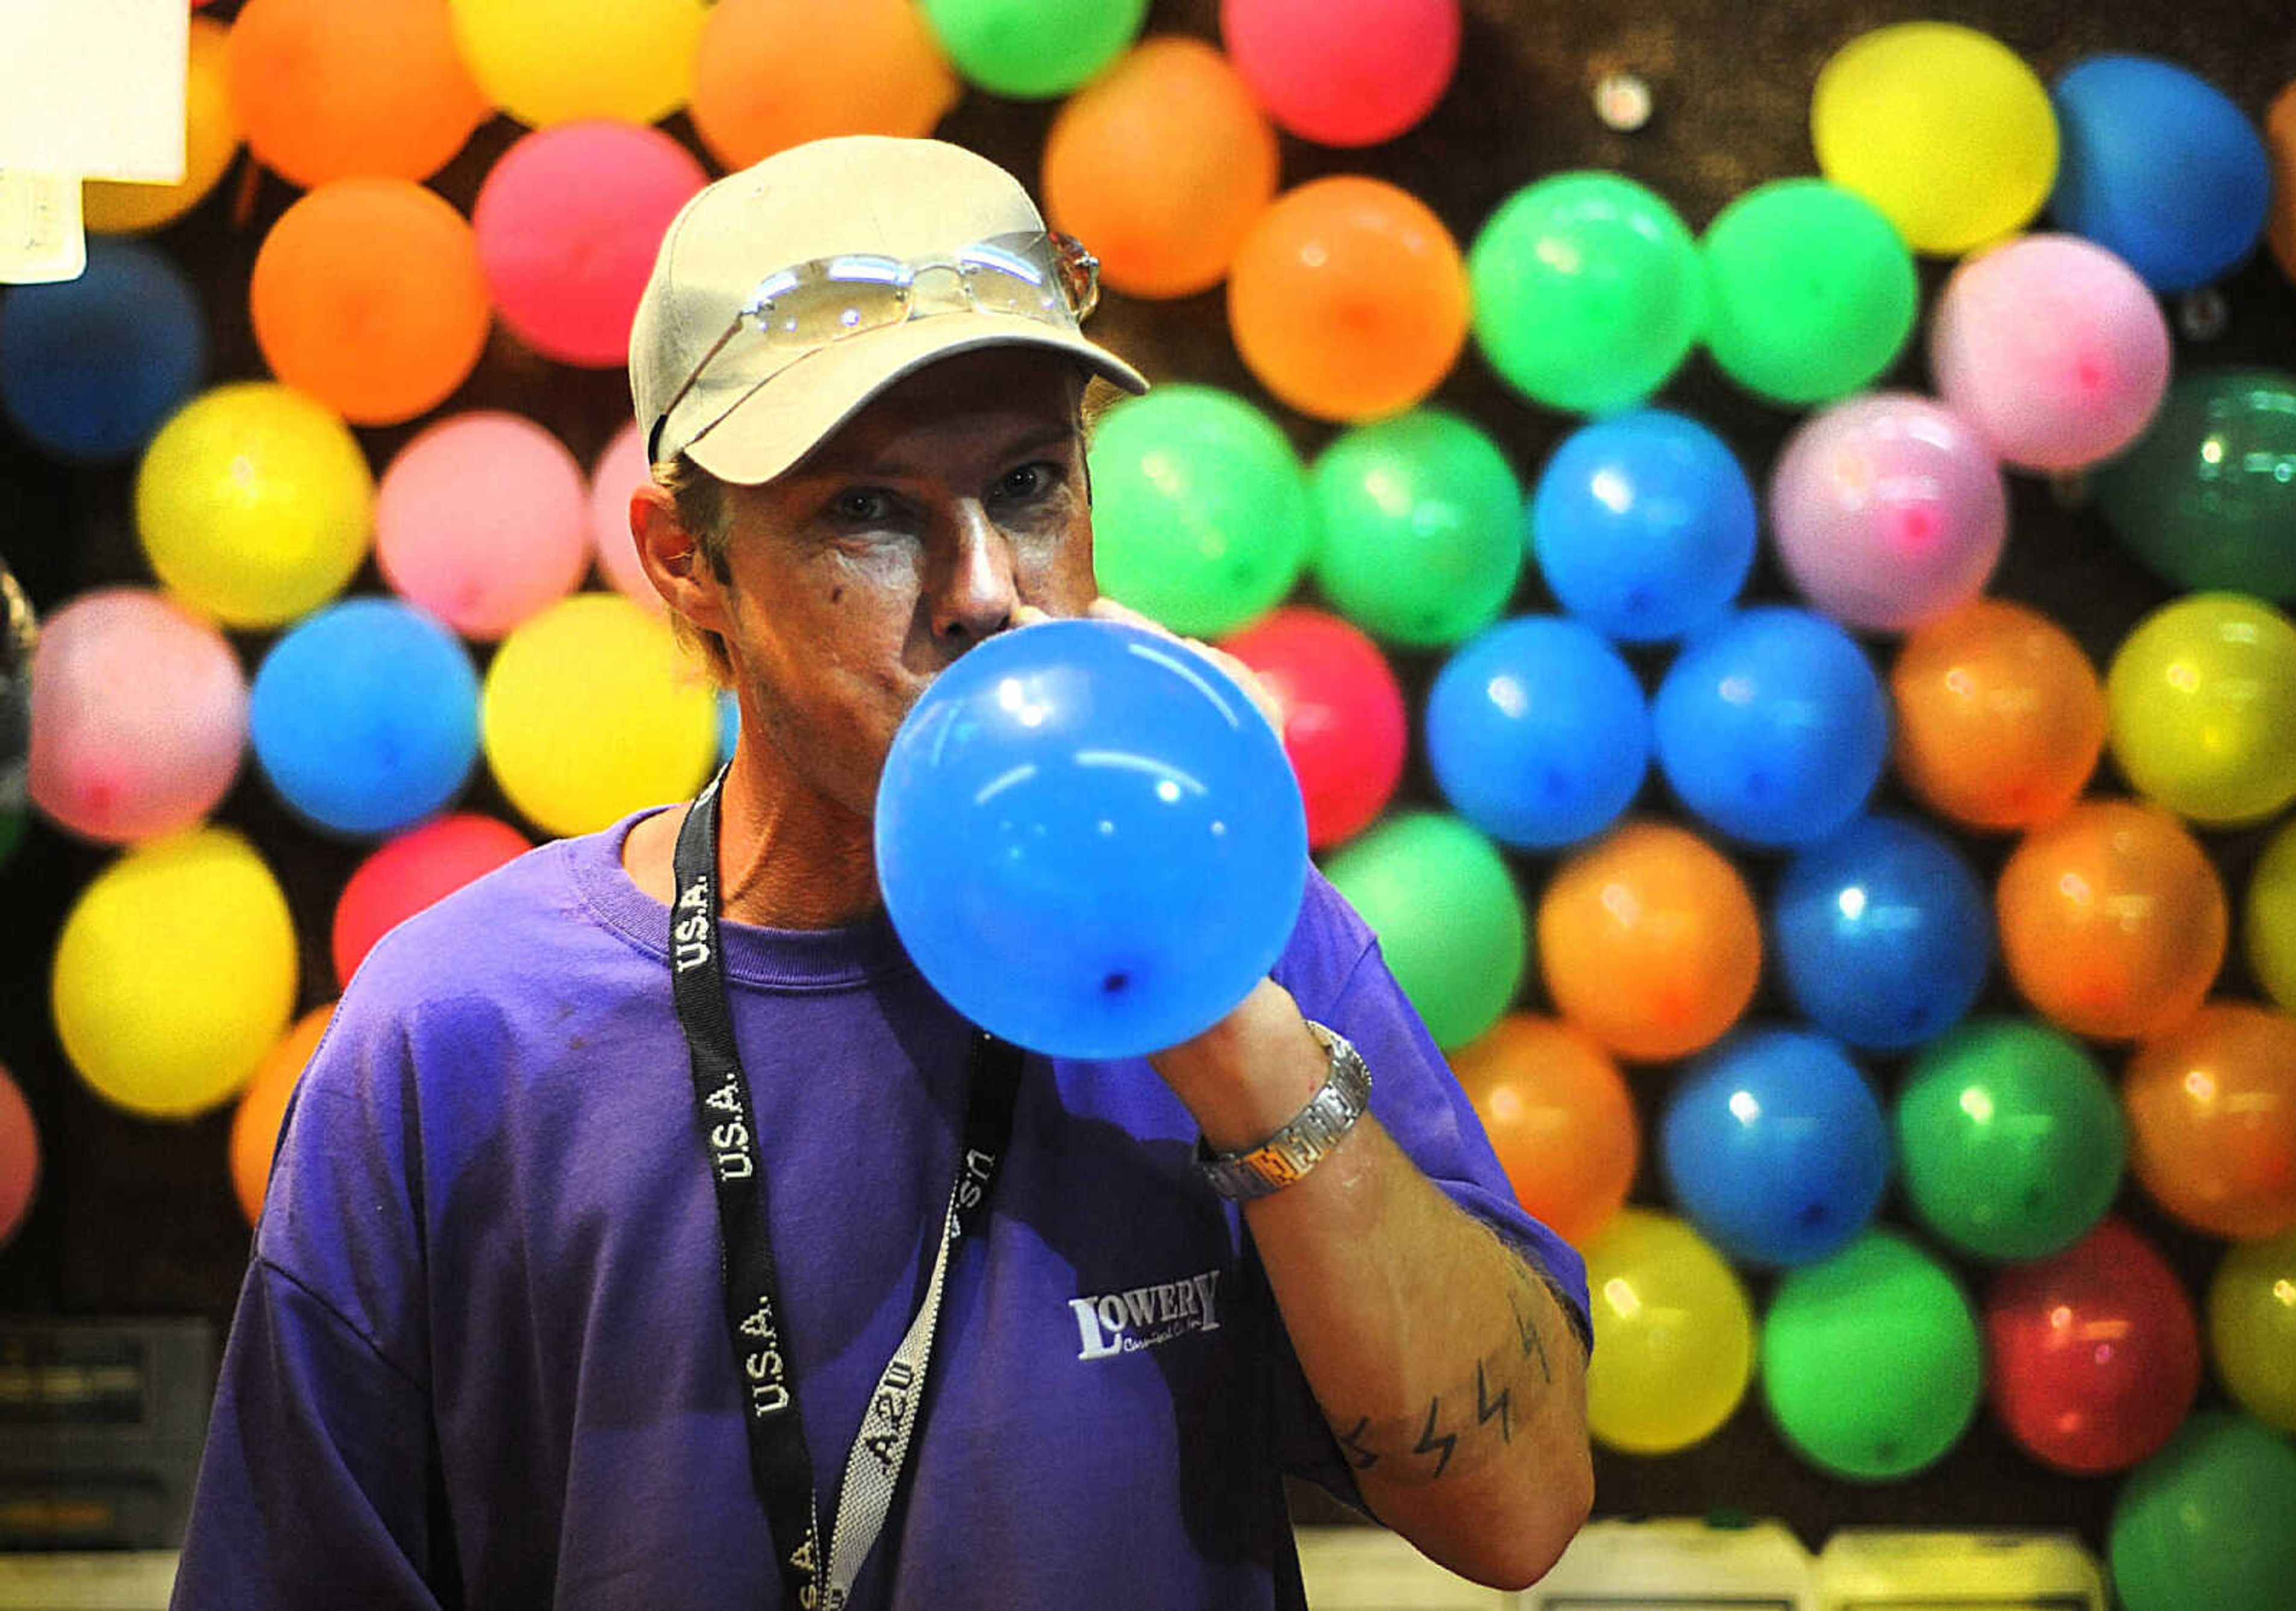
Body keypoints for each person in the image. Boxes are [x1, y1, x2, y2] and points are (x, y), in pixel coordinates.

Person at [172, 136, 1592, 1610]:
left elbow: (1522, 1511)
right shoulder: (465, 1023)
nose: (987, 585)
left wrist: (1233, 1037)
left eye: (1033, 482)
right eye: (869, 508)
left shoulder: (1239, 926)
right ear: (686, 562)